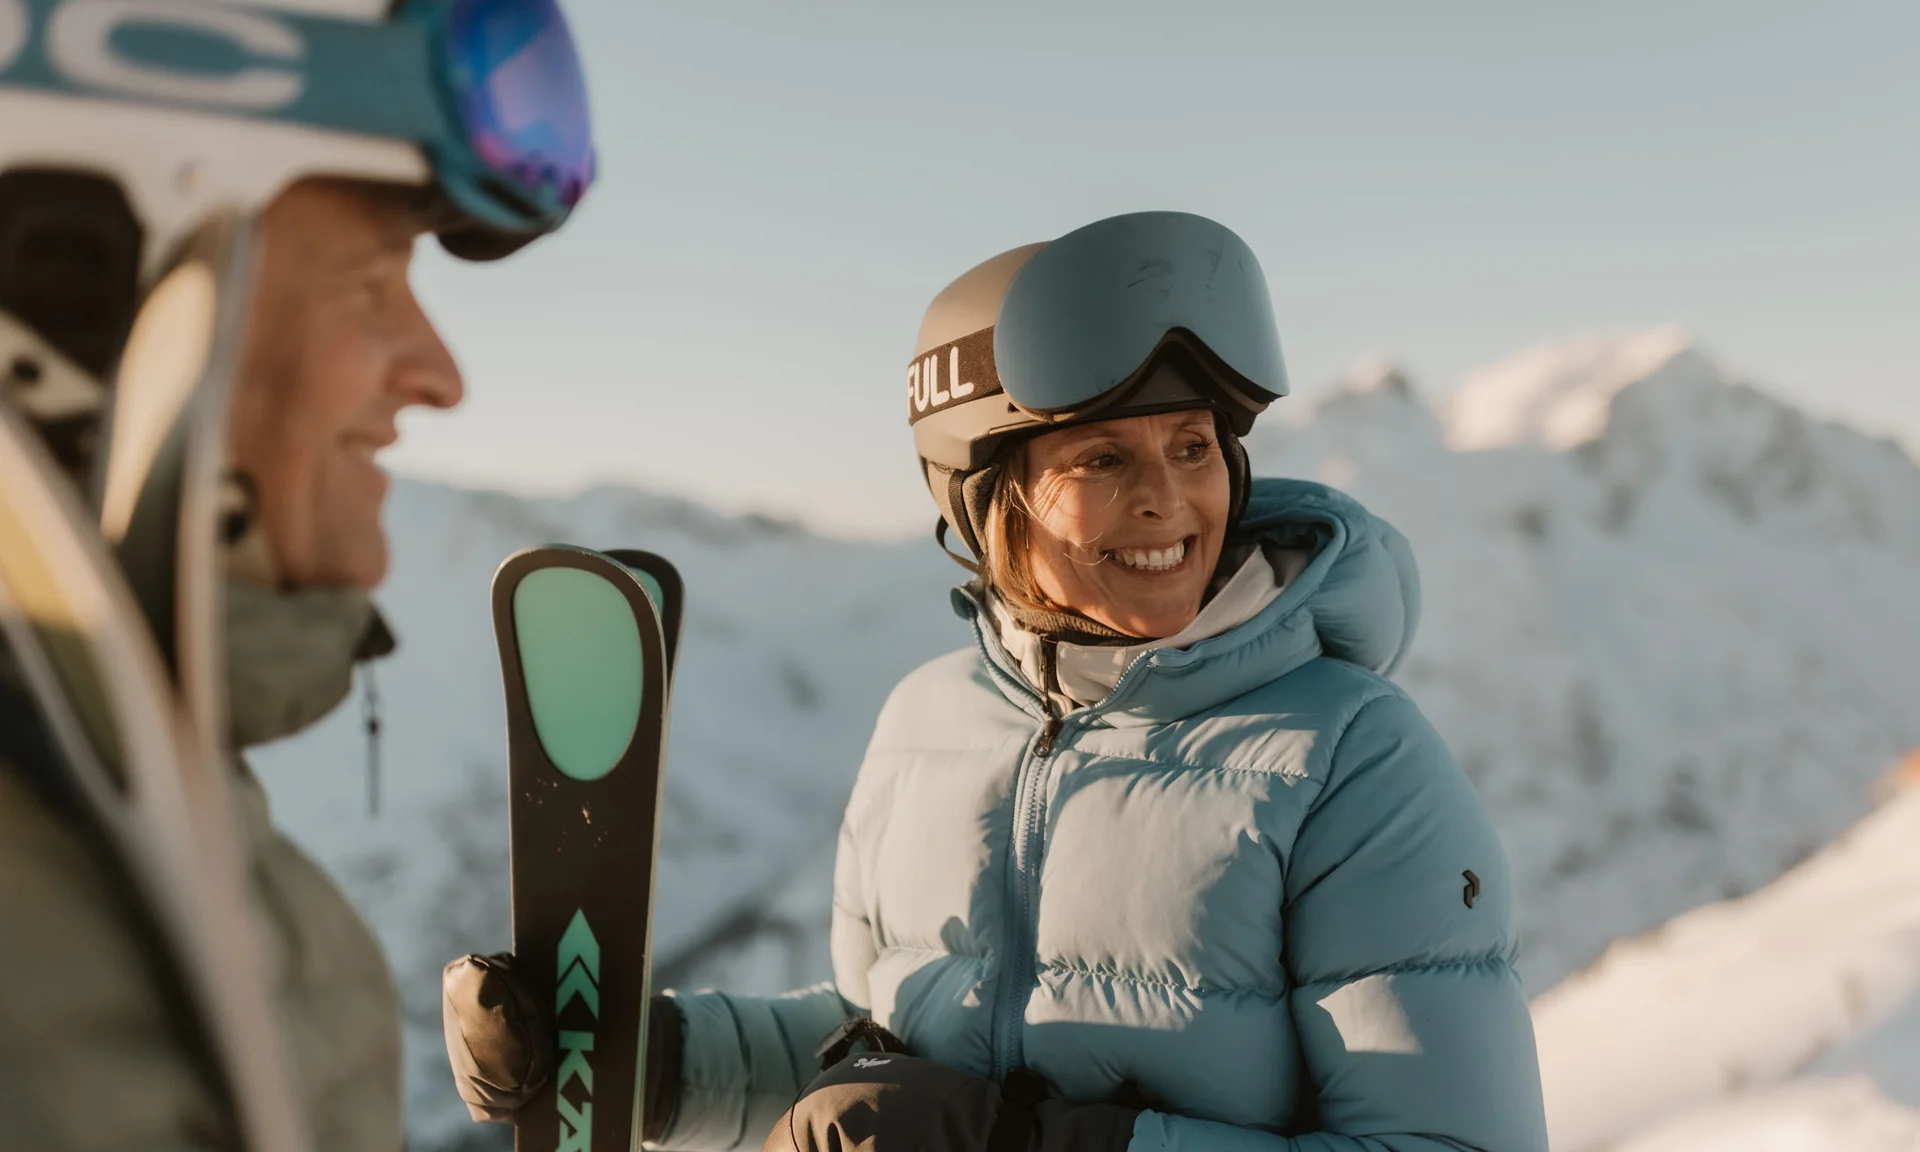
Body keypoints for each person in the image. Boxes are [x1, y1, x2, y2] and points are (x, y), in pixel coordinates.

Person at [447, 211, 1549, 1152]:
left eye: (1193, 447)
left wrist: (1016, 1143)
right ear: (988, 502)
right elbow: (875, 1038)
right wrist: (647, 1065)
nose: (1169, 501)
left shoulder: (1349, 760)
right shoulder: (928, 723)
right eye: (1103, 459)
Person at [0, 1, 598, 1148]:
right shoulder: (44, 968)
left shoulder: (115, 798)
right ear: (79, 285)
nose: (441, 376)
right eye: (373, 281)